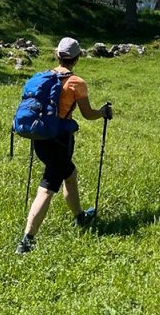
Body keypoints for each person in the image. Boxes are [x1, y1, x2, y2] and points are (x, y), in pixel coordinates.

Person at [16, 37, 113, 255]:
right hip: (60, 141)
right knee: (47, 188)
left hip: (39, 138)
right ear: (77, 59)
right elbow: (88, 114)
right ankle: (26, 241)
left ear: (57, 56)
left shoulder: (42, 77)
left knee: (70, 174)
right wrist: (103, 112)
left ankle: (80, 217)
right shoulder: (76, 83)